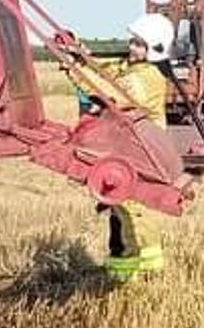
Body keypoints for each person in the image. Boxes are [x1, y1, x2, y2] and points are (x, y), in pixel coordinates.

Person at [64, 14, 175, 281]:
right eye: (133, 42)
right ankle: (146, 264)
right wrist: (83, 57)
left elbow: (107, 91)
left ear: (154, 49)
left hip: (140, 150)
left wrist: (74, 69)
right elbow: (110, 71)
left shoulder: (145, 78)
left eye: (138, 44)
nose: (131, 48)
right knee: (130, 208)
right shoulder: (135, 68)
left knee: (128, 208)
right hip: (136, 147)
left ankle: (125, 270)